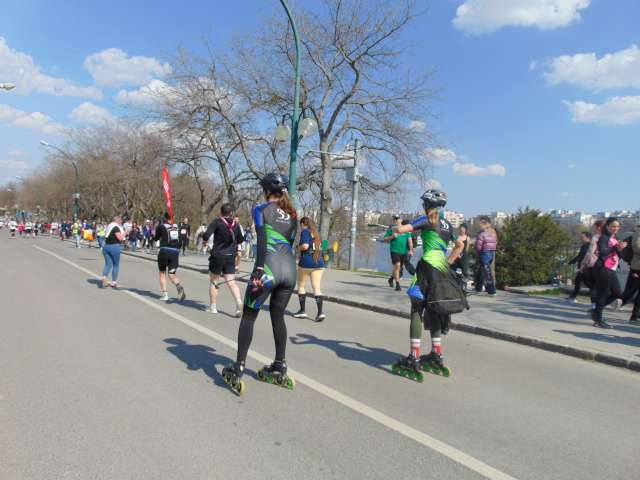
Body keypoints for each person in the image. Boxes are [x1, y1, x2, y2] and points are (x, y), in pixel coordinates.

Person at [221, 173, 297, 395]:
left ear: (267, 190)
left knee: (248, 316)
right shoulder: (293, 214)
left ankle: (238, 367)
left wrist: (260, 269)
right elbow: (290, 242)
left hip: (268, 270)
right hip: (289, 271)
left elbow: (262, 240)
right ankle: (280, 365)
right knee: (278, 317)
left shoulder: (261, 209)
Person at [391, 189, 465, 381]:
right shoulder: (447, 224)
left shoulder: (426, 219)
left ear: (428, 205)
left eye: (424, 203)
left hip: (427, 268)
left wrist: (396, 227)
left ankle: (413, 357)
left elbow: (401, 230)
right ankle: (436, 353)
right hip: (443, 270)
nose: (423, 206)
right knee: (434, 309)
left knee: (417, 309)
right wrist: (449, 261)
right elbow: (460, 245)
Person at [202, 204, 244, 316]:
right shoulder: (236, 224)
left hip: (218, 255)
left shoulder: (217, 222)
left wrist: (205, 242)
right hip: (230, 256)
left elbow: (206, 235)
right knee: (231, 281)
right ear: (231, 213)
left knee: (214, 281)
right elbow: (241, 240)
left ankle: (213, 307)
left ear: (221, 212)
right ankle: (239, 302)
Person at [591, 217, 627, 328]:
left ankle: (596, 310)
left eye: (617, 226)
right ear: (607, 227)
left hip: (612, 268)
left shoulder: (616, 238)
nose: (616, 228)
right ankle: (598, 320)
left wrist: (620, 249)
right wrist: (616, 247)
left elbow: (620, 255)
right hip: (603, 268)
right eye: (613, 226)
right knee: (603, 293)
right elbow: (602, 252)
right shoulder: (604, 238)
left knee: (617, 293)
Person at [293, 216, 326, 322]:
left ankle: (302, 311)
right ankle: (320, 313)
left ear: (303, 224)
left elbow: (305, 246)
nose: (300, 227)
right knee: (317, 288)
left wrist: (297, 247)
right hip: (319, 263)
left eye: (300, 225)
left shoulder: (305, 232)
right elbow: (322, 246)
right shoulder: (316, 233)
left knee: (301, 286)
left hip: (306, 262)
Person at [153, 212, 186, 302]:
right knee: (172, 273)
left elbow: (156, 238)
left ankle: (165, 295)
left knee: (162, 273)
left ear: (165, 218)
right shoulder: (177, 227)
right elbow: (180, 241)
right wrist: (177, 249)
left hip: (164, 251)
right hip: (175, 252)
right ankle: (178, 286)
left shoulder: (161, 226)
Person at [384, 215, 413, 291]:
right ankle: (397, 284)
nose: (395, 220)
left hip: (404, 252)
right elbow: (385, 239)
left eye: (397, 218)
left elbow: (410, 241)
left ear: (401, 220)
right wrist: (392, 237)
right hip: (394, 250)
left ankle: (391, 279)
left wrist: (411, 250)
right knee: (397, 265)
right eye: (394, 219)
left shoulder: (406, 229)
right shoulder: (391, 229)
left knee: (398, 268)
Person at [621, 224, 640, 325]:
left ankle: (635, 316)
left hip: (636, 266)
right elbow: (636, 247)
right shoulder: (638, 233)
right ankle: (619, 301)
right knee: (631, 290)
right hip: (637, 266)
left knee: (632, 290)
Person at [474, 216, 498, 296]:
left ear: (484, 225)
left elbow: (478, 246)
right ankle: (478, 288)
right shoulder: (493, 233)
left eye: (481, 225)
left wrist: (478, 250)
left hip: (484, 253)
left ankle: (492, 291)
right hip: (491, 252)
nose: (479, 226)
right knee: (482, 271)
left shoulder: (481, 234)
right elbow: (495, 242)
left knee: (487, 272)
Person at [566, 232, 592, 302]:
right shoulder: (584, 245)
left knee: (587, 283)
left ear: (588, 237)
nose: (580, 238)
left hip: (585, 267)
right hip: (582, 267)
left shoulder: (589, 245)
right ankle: (573, 296)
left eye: (582, 237)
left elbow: (582, 256)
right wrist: (571, 262)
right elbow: (579, 256)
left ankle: (598, 296)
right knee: (578, 281)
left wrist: (572, 262)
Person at [101, 216, 124, 288]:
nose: (121, 222)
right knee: (116, 265)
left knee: (108, 264)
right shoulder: (116, 227)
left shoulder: (109, 226)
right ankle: (114, 282)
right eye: (120, 221)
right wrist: (126, 232)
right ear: (117, 221)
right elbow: (120, 238)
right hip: (114, 246)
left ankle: (104, 277)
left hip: (106, 246)